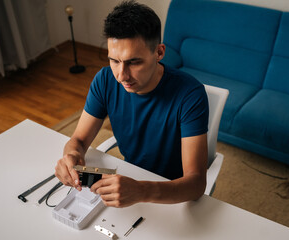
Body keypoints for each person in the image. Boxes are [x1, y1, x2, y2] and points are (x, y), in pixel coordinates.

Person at [55, 0, 209, 208]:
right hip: (129, 181)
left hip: (171, 192)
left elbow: (196, 184)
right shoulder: (105, 80)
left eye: (134, 62)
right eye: (114, 61)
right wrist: (71, 155)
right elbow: (79, 140)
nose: (121, 75)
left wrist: (142, 190)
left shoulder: (190, 94)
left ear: (159, 53)